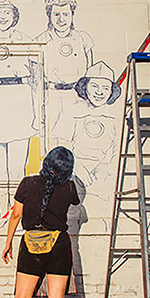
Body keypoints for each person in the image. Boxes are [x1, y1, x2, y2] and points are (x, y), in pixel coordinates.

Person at [0, 146, 81, 298]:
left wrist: (8, 242)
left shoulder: (27, 184)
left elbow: (16, 214)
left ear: (46, 163)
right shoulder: (70, 188)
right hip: (58, 247)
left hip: (30, 246)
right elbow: (75, 203)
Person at [52, 61, 121, 229]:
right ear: (85, 87)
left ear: (112, 91)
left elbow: (117, 151)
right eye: (95, 86)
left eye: (105, 87)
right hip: (76, 177)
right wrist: (79, 170)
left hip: (104, 180)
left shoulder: (116, 116)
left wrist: (104, 172)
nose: (99, 92)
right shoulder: (71, 112)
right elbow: (61, 149)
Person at [34, 0, 94, 140]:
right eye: (56, 14)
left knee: (77, 138)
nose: (61, 19)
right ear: (49, 15)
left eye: (66, 14)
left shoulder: (83, 39)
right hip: (52, 96)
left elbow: (92, 74)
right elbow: (35, 79)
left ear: (72, 15)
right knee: (51, 139)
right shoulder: (41, 40)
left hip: (77, 96)